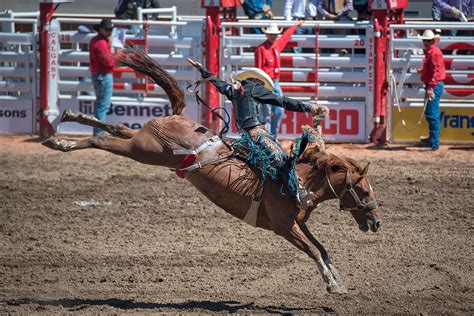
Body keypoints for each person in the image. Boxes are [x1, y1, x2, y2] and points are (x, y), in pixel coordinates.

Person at [187, 58, 319, 209]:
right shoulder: (255, 88)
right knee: (282, 159)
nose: (264, 87)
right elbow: (283, 101)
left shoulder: (233, 91)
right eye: (263, 84)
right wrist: (308, 108)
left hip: (246, 135)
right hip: (258, 134)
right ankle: (299, 193)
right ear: (257, 80)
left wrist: (201, 69)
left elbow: (216, 82)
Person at [254, 21, 303, 138]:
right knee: (266, 114)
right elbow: (259, 70)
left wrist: (295, 26)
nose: (273, 36)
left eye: (275, 34)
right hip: (266, 84)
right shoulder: (260, 49)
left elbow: (286, 36)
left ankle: (273, 137)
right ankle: (269, 139)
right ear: (267, 35)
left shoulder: (276, 45)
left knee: (278, 111)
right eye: (271, 34)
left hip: (275, 83)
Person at [419, 30, 446, 151]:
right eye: (424, 40)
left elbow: (437, 72)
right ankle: (432, 139)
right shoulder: (431, 52)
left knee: (432, 114)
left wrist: (430, 87)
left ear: (433, 41)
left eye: (427, 40)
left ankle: (434, 143)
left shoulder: (434, 53)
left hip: (433, 86)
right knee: (430, 112)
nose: (425, 42)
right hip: (433, 85)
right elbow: (433, 69)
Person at [90, 19, 116, 136]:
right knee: (103, 105)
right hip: (103, 75)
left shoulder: (95, 40)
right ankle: (99, 134)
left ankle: (98, 132)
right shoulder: (101, 43)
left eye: (111, 29)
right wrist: (115, 52)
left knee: (101, 104)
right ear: (101, 29)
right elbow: (109, 63)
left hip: (98, 75)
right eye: (107, 29)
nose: (109, 32)